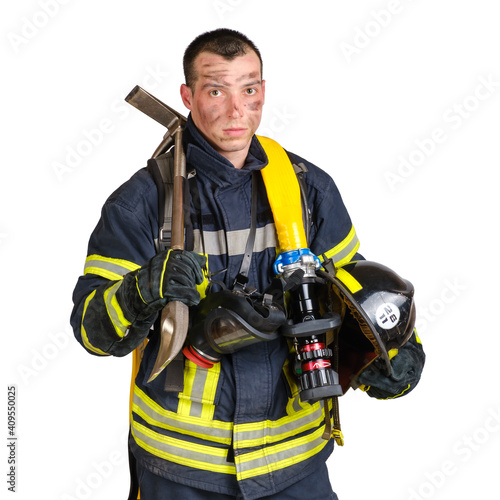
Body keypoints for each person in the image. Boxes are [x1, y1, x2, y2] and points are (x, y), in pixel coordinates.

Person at [71, 29, 425, 500]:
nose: (237, 110)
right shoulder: (142, 203)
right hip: (181, 470)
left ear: (263, 91)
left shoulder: (307, 190)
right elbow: (92, 333)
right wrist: (143, 289)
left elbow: (355, 288)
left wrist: (393, 352)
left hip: (294, 464)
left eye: (250, 89)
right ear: (189, 96)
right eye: (217, 90)